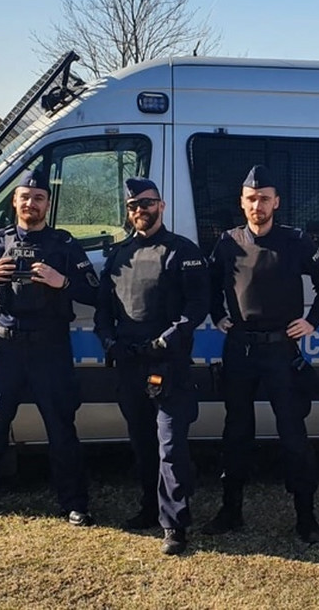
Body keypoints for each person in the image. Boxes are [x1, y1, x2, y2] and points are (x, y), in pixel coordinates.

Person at [201, 165, 319, 544]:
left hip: (281, 350)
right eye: (250, 199)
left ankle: (306, 516)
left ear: (276, 202)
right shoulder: (227, 242)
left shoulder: (296, 241)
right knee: (236, 432)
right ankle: (231, 510)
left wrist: (311, 322)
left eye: (264, 198)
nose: (257, 205)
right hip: (240, 349)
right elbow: (208, 286)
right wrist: (217, 316)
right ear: (242, 203)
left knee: (293, 433)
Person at [0, 169, 98, 525]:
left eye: (38, 198)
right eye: (24, 197)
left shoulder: (63, 245)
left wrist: (61, 281)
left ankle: (74, 503)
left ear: (47, 204)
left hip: (50, 349)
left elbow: (94, 292)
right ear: (15, 202)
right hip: (5, 347)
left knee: (62, 427)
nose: (31, 203)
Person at [94, 177, 209, 556]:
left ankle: (175, 524)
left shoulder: (182, 251)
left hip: (167, 363)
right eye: (133, 206)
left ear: (161, 205)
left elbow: (196, 308)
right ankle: (149, 507)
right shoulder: (118, 254)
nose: (139, 210)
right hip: (129, 363)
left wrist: (167, 339)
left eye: (146, 203)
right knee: (142, 443)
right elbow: (103, 311)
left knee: (171, 446)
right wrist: (109, 341)